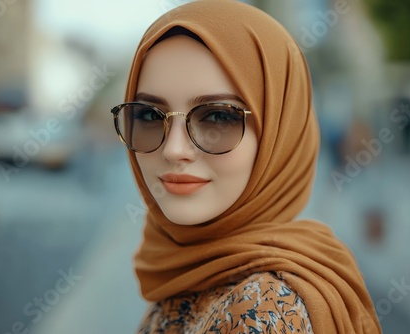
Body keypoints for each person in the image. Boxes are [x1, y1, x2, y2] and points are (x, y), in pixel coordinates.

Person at [110, 0, 381, 333]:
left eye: (219, 116)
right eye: (149, 115)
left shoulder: (261, 308)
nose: (174, 149)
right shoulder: (189, 270)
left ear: (279, 132)